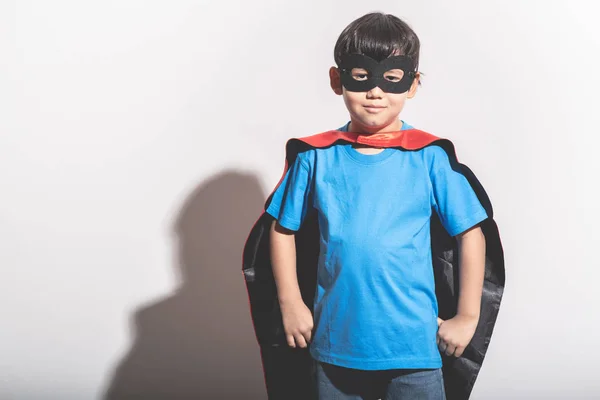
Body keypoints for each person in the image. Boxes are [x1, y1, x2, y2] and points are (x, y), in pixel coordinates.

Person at [242, 11, 505, 400]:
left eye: (392, 78)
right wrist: (291, 303)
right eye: (361, 76)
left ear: (413, 84)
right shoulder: (316, 157)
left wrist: (467, 316)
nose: (375, 92)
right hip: (336, 345)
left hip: (414, 348)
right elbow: (282, 230)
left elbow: (471, 232)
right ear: (337, 80)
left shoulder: (428, 157)